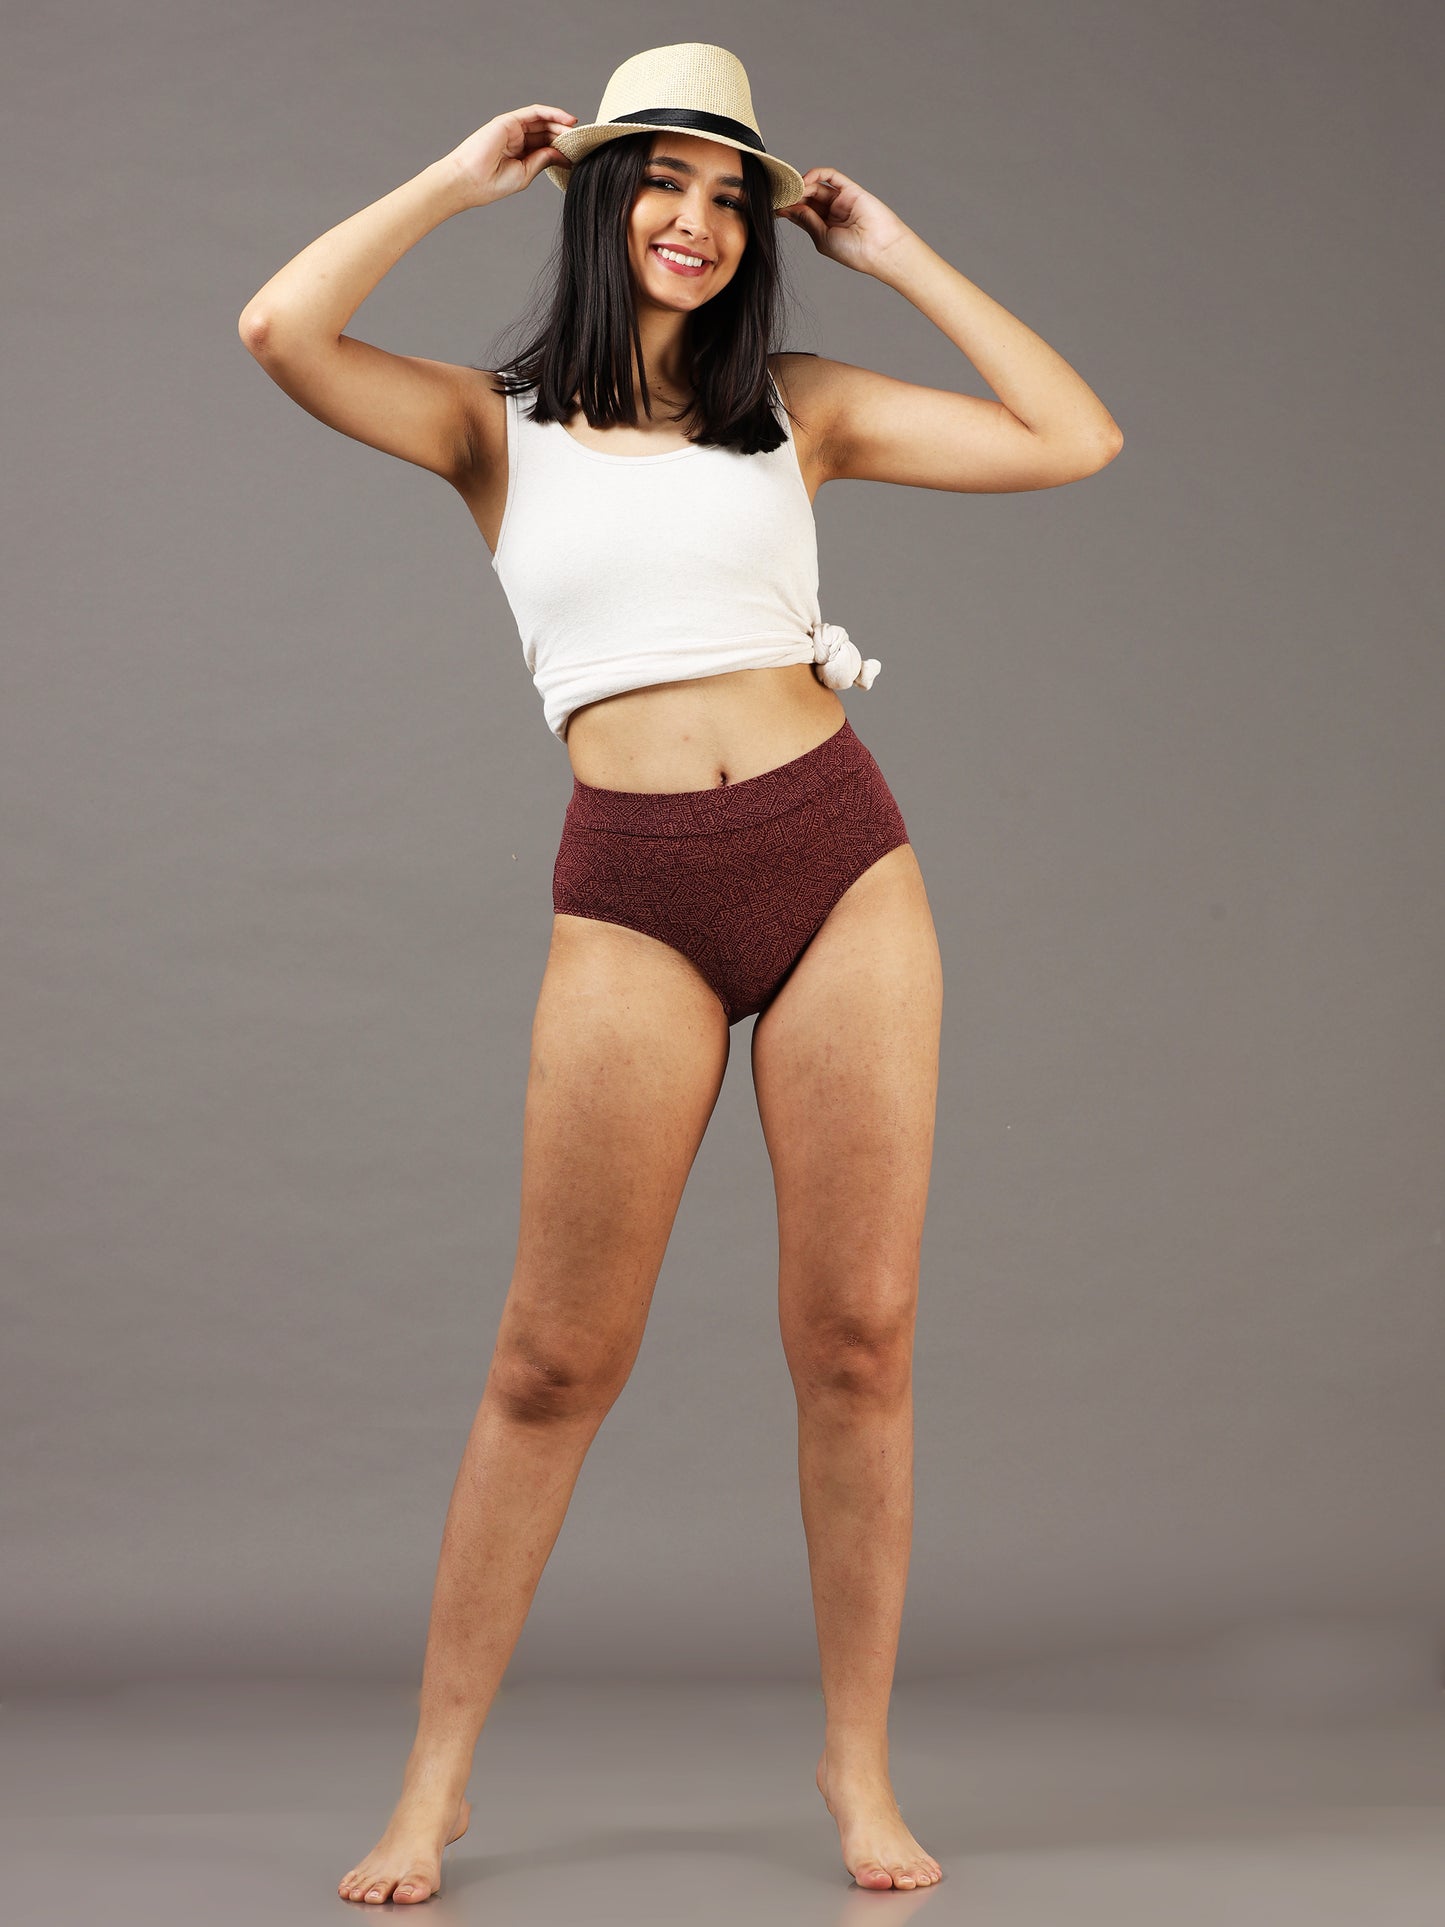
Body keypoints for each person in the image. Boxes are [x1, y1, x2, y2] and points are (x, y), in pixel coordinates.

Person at [238, 41, 1122, 1908]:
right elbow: (279, 329)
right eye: (661, 181)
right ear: (595, 197)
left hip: (837, 861)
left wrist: (899, 254)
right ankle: (434, 1785)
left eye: (729, 197)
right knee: (553, 1360)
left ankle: (856, 1766)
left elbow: (1073, 439)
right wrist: (453, 179)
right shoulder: (489, 428)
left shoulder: (796, 408)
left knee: (858, 1342)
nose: (697, 222)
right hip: (635, 889)